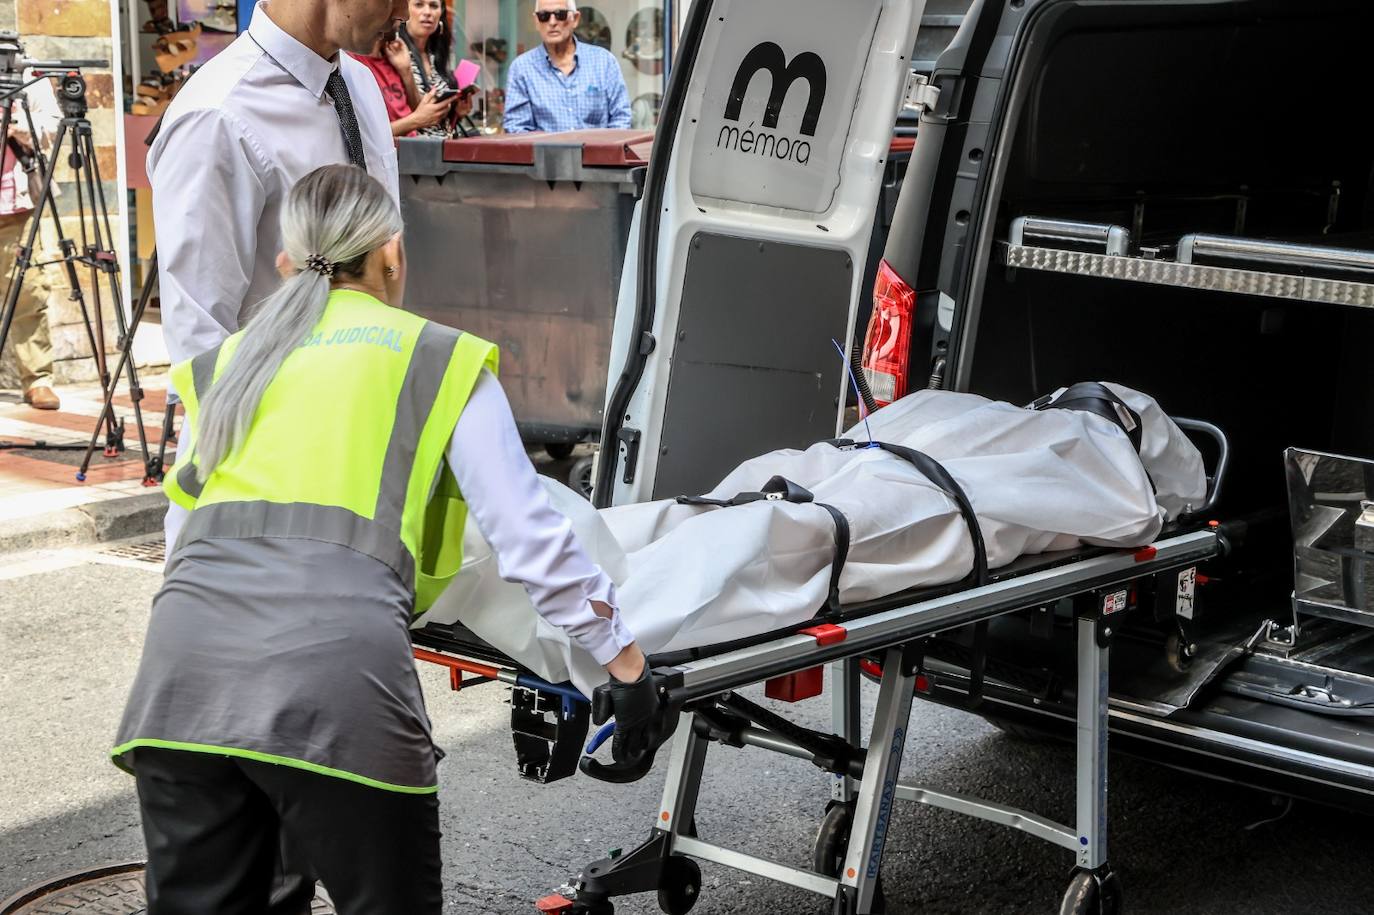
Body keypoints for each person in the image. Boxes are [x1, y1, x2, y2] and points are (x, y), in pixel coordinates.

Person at [112, 165, 658, 915]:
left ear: (286, 262)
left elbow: (183, 536)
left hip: (180, 689)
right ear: (392, 253)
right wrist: (625, 667)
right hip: (336, 687)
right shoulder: (437, 357)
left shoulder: (229, 363)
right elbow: (531, 537)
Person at [1, 73, 61, 410]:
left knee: (29, 291)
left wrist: (13, 121)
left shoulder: (20, 72)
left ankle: (37, 379)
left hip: (16, 208)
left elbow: (52, 127)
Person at [504, 0, 632, 134]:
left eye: (560, 14)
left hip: (599, 154)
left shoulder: (604, 62)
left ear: (575, 19)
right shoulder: (522, 68)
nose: (552, 22)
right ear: (536, 21)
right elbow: (516, 129)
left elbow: (621, 118)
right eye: (544, 16)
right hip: (544, 155)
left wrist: (604, 152)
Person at [349, 32, 456, 137]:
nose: (403, 18)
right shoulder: (351, 63)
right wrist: (415, 120)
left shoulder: (394, 54)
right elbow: (364, 137)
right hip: (394, 150)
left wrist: (406, 70)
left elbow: (417, 109)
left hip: (414, 145)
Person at [399, 0, 458, 138]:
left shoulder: (435, 55)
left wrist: (457, 112)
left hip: (444, 148)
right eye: (419, 4)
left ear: (441, 12)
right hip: (410, 150)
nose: (427, 12)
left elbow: (436, 121)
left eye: (433, 6)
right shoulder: (395, 53)